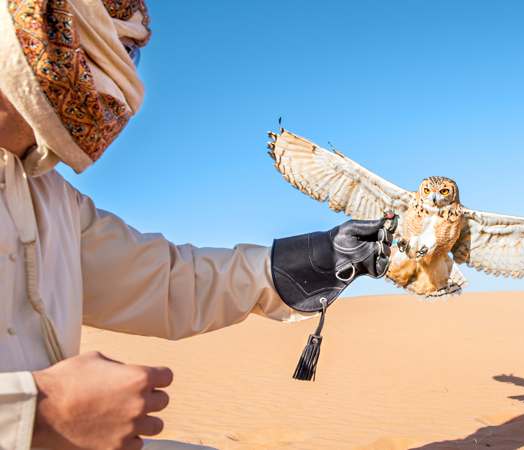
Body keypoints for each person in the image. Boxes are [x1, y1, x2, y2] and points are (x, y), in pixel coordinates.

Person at [0, 1, 392, 449]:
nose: (117, 90)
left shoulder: (49, 200)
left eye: (132, 56)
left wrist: (307, 261)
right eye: (114, 52)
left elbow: (165, 281)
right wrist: (35, 414)